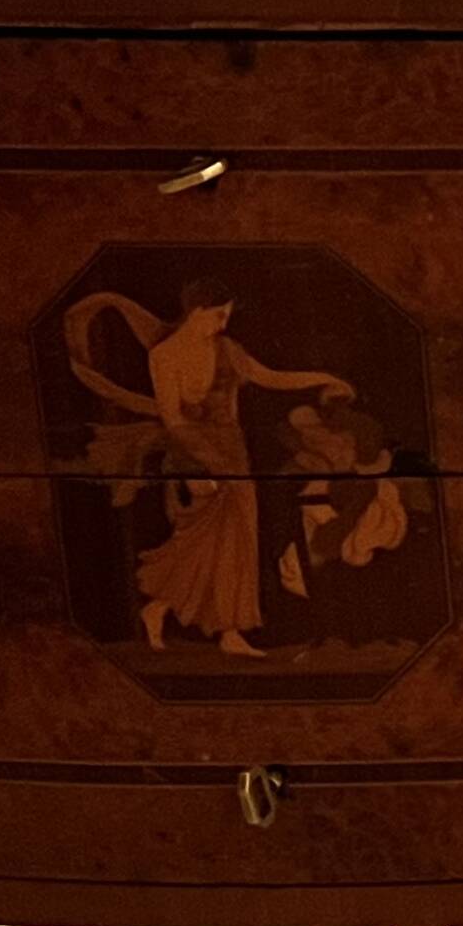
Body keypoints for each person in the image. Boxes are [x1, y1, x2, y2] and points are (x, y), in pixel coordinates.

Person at [63, 278, 359, 656]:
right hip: (196, 452)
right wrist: (203, 466)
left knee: (235, 543)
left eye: (228, 316)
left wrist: (325, 377)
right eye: (219, 314)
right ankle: (168, 612)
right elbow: (173, 419)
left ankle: (217, 628)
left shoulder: (227, 349)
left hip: (234, 453)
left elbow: (270, 377)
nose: (223, 323)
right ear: (197, 310)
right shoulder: (165, 355)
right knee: (205, 538)